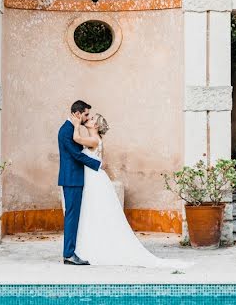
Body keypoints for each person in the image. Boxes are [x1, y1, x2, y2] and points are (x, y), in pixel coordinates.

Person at [70, 109, 191, 268]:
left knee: (95, 210)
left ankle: (96, 246)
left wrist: (76, 124)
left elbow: (75, 138)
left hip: (95, 180)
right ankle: (91, 244)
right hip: (94, 178)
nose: (89, 120)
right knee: (94, 211)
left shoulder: (93, 140)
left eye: (92, 120)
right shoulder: (95, 138)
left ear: (97, 126)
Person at [57, 100, 101, 265]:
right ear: (77, 114)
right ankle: (68, 254)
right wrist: (97, 165)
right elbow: (77, 155)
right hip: (72, 179)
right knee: (71, 216)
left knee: (75, 216)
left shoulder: (71, 129)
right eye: (86, 114)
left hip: (76, 178)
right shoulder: (66, 131)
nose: (87, 117)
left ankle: (73, 250)